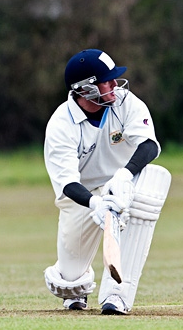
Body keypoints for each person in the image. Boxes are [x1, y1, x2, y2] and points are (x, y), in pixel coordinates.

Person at [43, 48, 171, 315]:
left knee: (153, 178)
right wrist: (95, 204)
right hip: (81, 197)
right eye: (107, 80)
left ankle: (117, 295)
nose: (115, 84)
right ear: (86, 89)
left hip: (123, 185)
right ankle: (77, 286)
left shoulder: (124, 102)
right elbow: (67, 183)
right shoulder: (61, 124)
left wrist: (125, 174)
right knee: (70, 283)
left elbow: (149, 145)